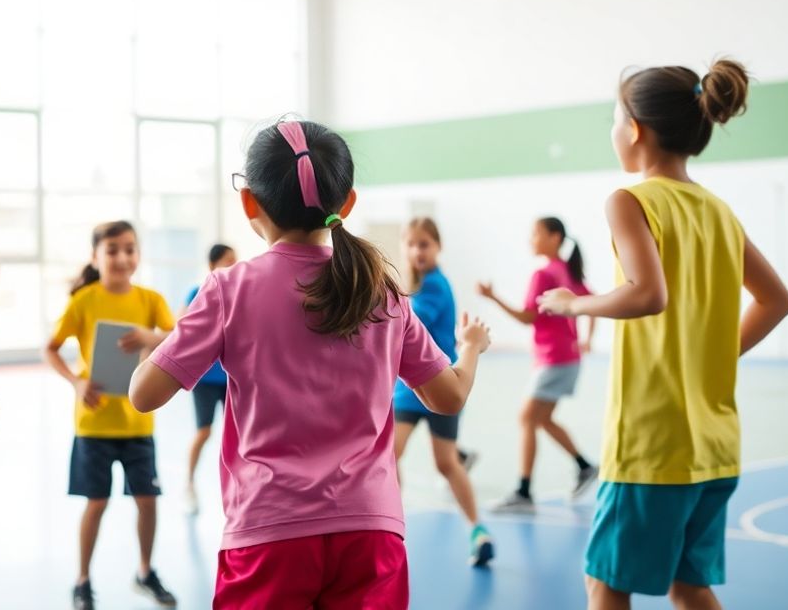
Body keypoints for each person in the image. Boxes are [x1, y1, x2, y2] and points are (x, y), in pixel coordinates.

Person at [129, 120, 491, 608]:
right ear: (347, 203)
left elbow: (143, 394)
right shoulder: (384, 294)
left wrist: (162, 341)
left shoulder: (227, 290)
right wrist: (471, 347)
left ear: (249, 202)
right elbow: (449, 396)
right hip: (370, 532)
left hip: (268, 531)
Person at [537, 60, 788, 609]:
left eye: (614, 119)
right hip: (716, 443)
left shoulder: (629, 201)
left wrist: (574, 303)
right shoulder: (718, 211)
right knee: (688, 586)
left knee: (605, 584)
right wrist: (714, 352)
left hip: (652, 443)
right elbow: (777, 300)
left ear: (634, 129)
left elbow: (648, 293)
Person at [43, 220, 177, 610]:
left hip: (138, 422)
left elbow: (178, 338)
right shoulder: (83, 301)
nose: (122, 257)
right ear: (95, 257)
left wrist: (150, 337)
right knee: (96, 503)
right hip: (94, 425)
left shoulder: (150, 300)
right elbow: (50, 348)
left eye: (130, 249)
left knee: (148, 500)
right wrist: (76, 382)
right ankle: (82, 580)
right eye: (112, 250)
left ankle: (145, 572)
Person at [478, 216, 598, 512]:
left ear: (554, 237)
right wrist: (587, 340)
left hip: (554, 359)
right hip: (566, 359)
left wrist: (493, 297)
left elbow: (527, 317)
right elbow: (592, 302)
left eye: (536, 233)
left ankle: (523, 492)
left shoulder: (544, 274)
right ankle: (584, 466)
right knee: (541, 419)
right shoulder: (567, 271)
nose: (531, 239)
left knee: (527, 419)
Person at [393, 217, 493, 567]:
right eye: (411, 244)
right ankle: (392, 525)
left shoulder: (435, 285)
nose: (417, 251)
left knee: (446, 463)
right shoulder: (413, 285)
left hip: (439, 384)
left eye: (425, 244)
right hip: (407, 390)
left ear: (438, 246)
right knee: (390, 455)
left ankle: (477, 529)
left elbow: (409, 321)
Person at [182, 243, 237, 516]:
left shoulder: (239, 292)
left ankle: (238, 490)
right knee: (204, 432)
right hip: (205, 379)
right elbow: (183, 329)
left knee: (237, 436)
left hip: (231, 378)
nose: (234, 266)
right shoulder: (198, 292)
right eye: (228, 261)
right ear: (212, 265)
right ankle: (189, 484)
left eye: (235, 260)